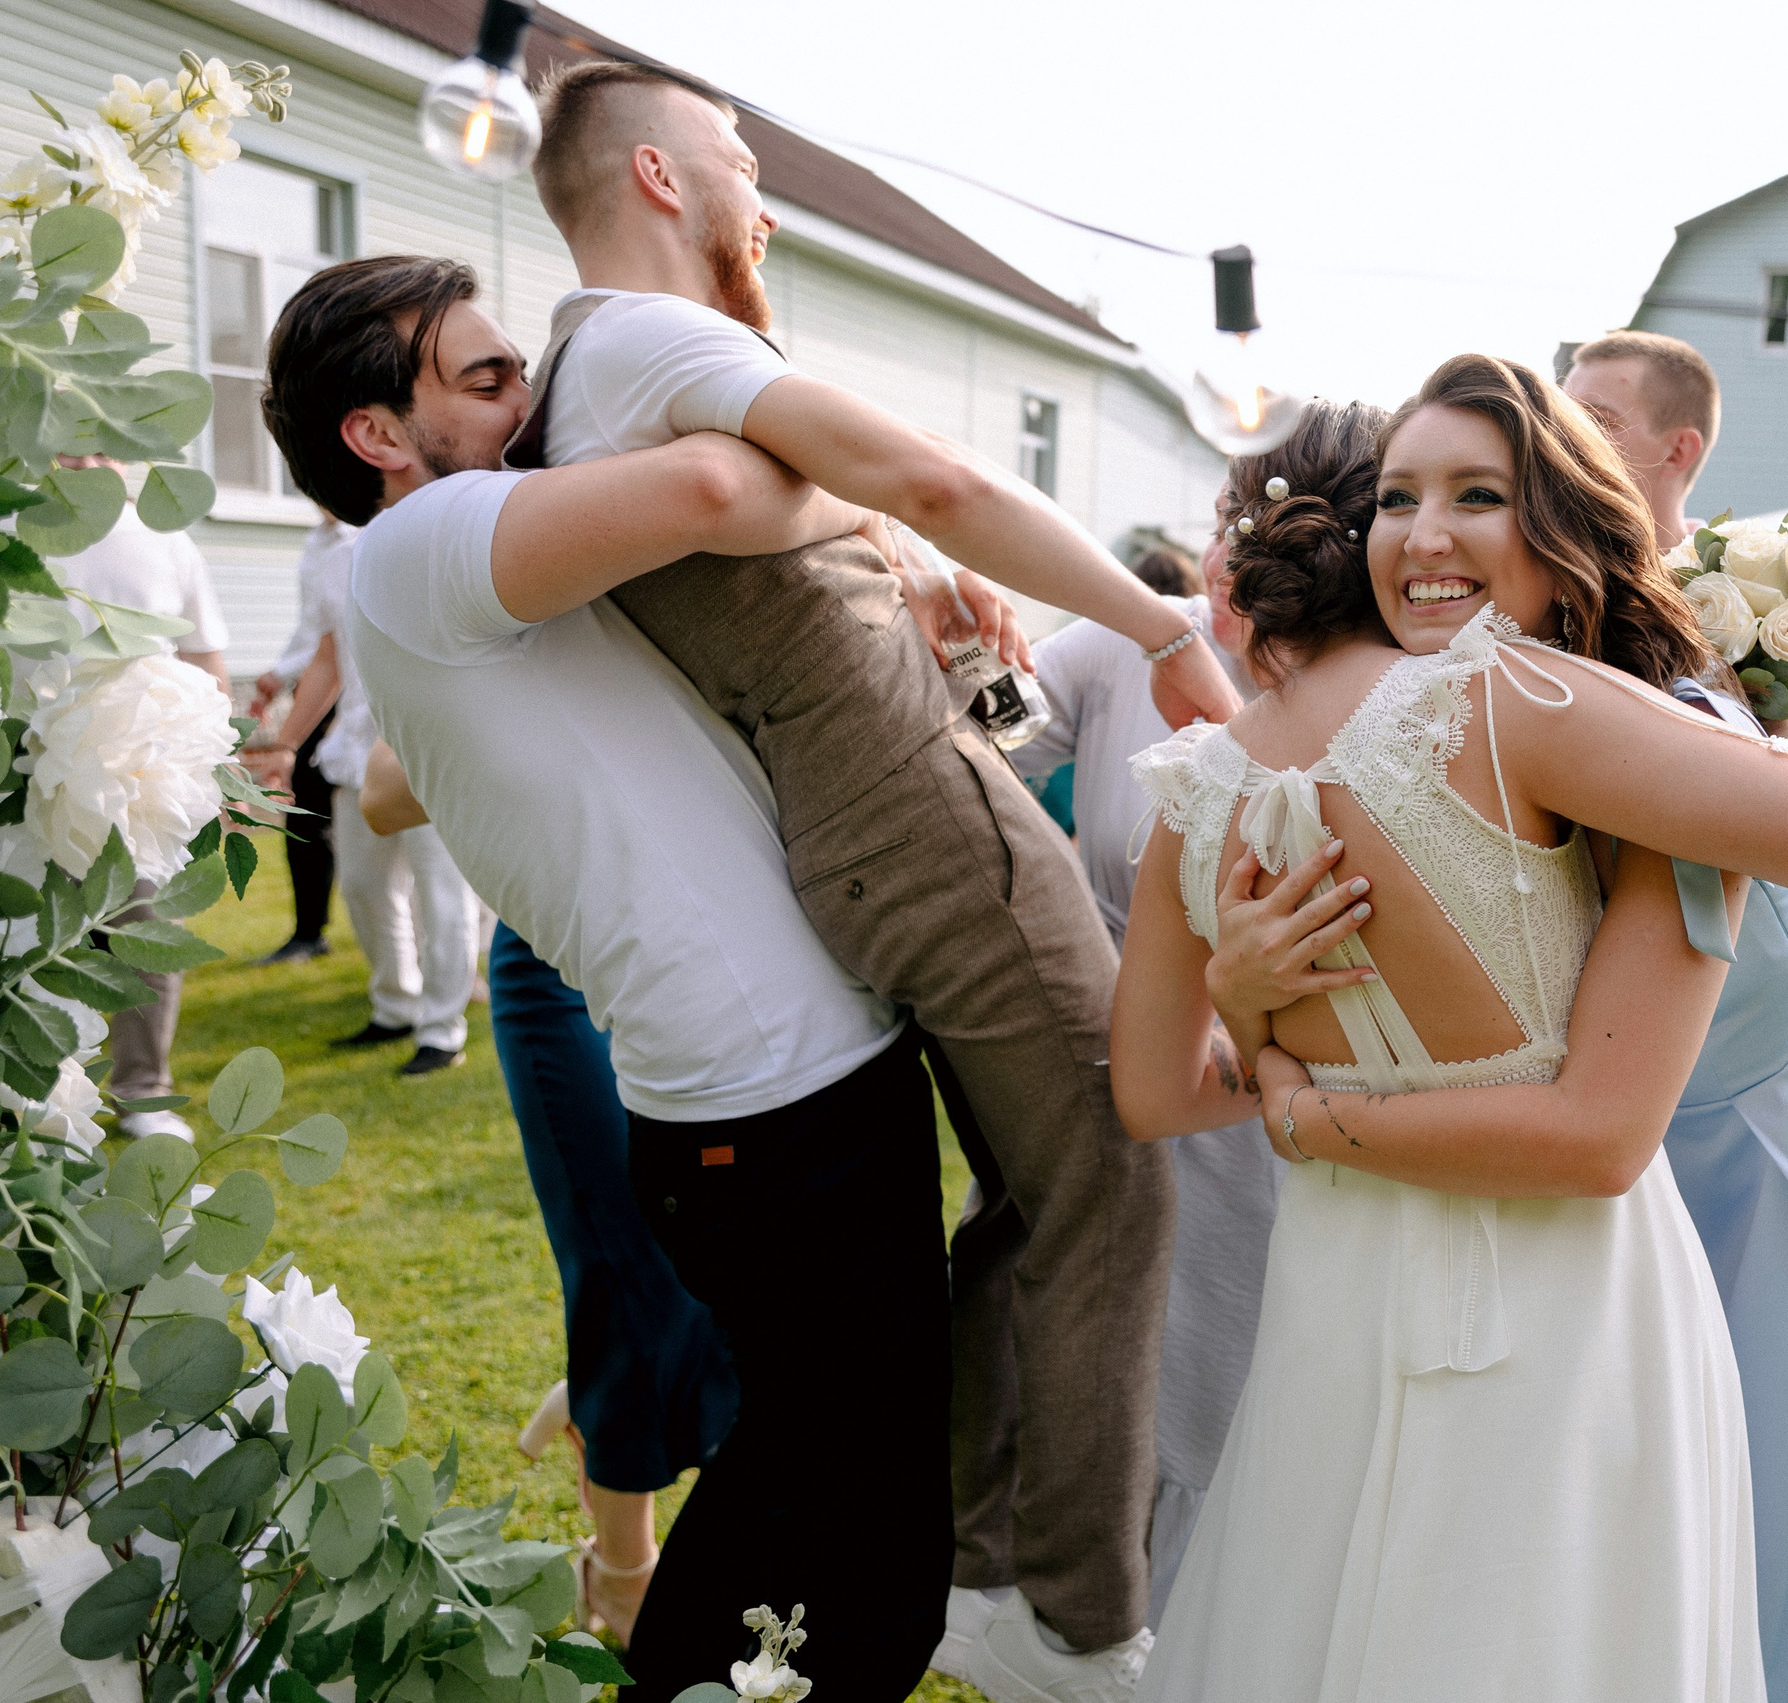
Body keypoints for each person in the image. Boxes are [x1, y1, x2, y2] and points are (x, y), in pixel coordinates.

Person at [508, 61, 1244, 1698]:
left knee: (1038, 1188)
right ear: (653, 175)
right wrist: (1166, 627)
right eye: (737, 153)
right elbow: (943, 481)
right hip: (931, 833)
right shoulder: (656, 345)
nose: (759, 186)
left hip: (864, 841)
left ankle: (982, 1548)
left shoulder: (583, 378)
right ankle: (1070, 1610)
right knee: (1117, 1169)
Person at [1114, 359, 1788, 1701]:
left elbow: (1151, 1089)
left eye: (1475, 495)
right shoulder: (1516, 705)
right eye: (1401, 498)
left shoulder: (1204, 781)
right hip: (1556, 1296)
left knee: (1322, 1623)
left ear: (1564, 525)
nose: (1425, 534)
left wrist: (1266, 1033)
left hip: (1338, 1277)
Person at [261, 253, 961, 1699]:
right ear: (378, 436)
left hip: (769, 1085)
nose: (530, 394)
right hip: (772, 1098)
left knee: (817, 1493)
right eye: (482, 375)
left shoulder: (457, 563)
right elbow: (714, 485)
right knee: (868, 1548)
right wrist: (875, 497)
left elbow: (397, 781)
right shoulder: (430, 536)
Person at [356, 739, 739, 1646]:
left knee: (729, 1258)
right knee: (624, 1259)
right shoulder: (512, 608)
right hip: (562, 959)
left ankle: (599, 1399)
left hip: (714, 953)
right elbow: (380, 791)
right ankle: (623, 1573)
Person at [997, 487, 1270, 1643]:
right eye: (1225, 524)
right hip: (1093, 1040)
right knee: (1081, 1349)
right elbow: (987, 733)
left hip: (1255, 1087)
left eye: (1268, 529)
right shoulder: (1129, 635)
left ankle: (1212, 1616)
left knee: (1223, 1378)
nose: (1228, 558)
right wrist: (974, 638)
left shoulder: (1380, 671)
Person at [250, 543, 483, 1077]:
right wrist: (287, 745)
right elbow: (328, 658)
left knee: (442, 893)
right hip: (355, 746)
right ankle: (396, 1005)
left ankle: (443, 1029)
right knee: (362, 884)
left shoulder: (427, 537)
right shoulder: (328, 558)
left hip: (427, 743)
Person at [56, 470, 232, 1141]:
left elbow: (204, 658)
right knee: (37, 929)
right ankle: (48, 1084)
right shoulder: (11, 531)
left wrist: (216, 765)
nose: (84, 462)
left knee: (140, 928)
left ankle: (141, 1089)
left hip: (138, 771)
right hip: (30, 762)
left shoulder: (167, 538)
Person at [247, 510, 357, 966]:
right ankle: (309, 931)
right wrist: (281, 672)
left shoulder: (365, 534)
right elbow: (316, 631)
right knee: (305, 812)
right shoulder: (319, 541)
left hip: (358, 697)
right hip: (322, 687)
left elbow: (336, 643)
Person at [1560, 329, 1718, 550]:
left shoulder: (1747, 581)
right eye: (1562, 420)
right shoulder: (1530, 575)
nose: (1563, 438)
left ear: (1677, 452)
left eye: (1597, 421)